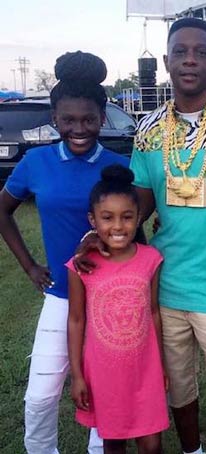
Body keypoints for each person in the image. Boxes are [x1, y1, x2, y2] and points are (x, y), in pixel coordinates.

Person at [75, 17, 206, 454]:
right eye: (181, 52)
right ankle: (193, 450)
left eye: (201, 52)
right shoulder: (149, 127)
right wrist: (106, 235)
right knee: (177, 386)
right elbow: (141, 203)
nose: (190, 60)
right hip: (166, 284)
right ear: (167, 61)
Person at [0, 51, 127, 454]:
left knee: (104, 389)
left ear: (102, 118)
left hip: (111, 297)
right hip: (60, 295)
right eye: (67, 119)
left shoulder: (119, 166)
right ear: (54, 117)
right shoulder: (37, 162)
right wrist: (30, 266)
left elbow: (133, 230)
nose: (78, 129)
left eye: (88, 119)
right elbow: (2, 210)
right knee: (40, 394)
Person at [66, 165, 168, 454]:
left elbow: (154, 312)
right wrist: (77, 375)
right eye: (107, 218)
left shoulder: (151, 259)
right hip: (103, 373)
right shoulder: (81, 265)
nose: (118, 226)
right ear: (92, 220)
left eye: (127, 217)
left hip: (145, 369)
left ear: (138, 219)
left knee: (151, 444)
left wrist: (160, 364)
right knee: (114, 441)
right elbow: (75, 321)